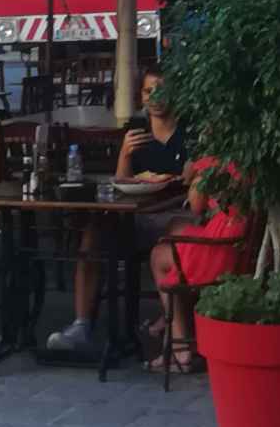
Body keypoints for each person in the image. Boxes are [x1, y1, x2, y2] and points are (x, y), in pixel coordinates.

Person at [47, 67, 186, 355]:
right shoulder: (136, 129)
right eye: (149, 91)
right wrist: (124, 153)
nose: (155, 97)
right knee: (92, 236)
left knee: (176, 241)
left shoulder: (189, 132)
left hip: (173, 215)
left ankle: (170, 321)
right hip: (136, 215)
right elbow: (122, 182)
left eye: (161, 89)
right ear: (141, 96)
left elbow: (193, 183)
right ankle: (82, 325)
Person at [149, 158, 249, 374]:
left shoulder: (211, 161)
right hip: (241, 246)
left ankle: (179, 345)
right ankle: (171, 320)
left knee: (159, 255)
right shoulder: (248, 156)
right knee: (175, 226)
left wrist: (195, 170)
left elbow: (195, 206)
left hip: (221, 249)